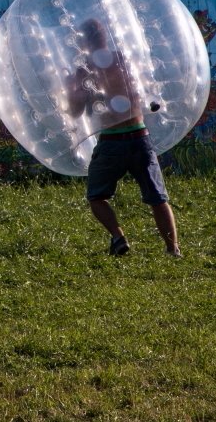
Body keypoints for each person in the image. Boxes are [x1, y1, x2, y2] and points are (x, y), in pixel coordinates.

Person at [68, 18, 180, 258]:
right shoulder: (125, 60)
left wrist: (72, 86)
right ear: (104, 37)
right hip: (140, 137)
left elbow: (75, 110)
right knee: (158, 198)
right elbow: (144, 93)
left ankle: (118, 237)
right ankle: (173, 249)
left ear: (83, 41)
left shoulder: (85, 68)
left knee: (96, 197)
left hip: (111, 142)